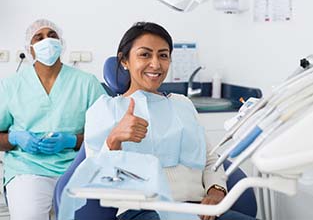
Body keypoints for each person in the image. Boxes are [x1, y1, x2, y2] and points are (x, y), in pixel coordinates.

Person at [60, 22, 257, 220]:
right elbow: (94, 180)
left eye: (163, 55)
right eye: (145, 54)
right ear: (124, 61)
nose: (155, 64)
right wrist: (114, 140)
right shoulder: (104, 110)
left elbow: (210, 159)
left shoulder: (183, 105)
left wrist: (216, 191)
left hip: (200, 210)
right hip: (141, 212)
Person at [0, 19, 106, 220]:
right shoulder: (11, 86)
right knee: (28, 215)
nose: (46, 41)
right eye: (38, 37)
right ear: (30, 49)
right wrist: (15, 138)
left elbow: (107, 135)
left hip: (76, 166)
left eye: (52, 35)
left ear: (61, 43)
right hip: (27, 168)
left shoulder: (86, 84)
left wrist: (73, 141)